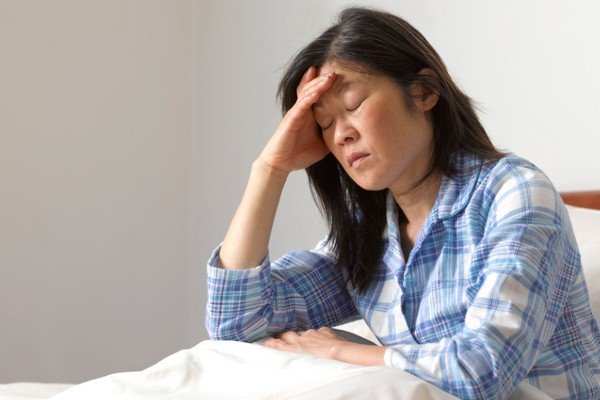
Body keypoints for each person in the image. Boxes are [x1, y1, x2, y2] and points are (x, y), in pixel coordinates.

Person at [205, 6, 600, 400]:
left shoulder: (514, 194)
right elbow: (237, 320)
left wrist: (343, 351)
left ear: (423, 91)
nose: (340, 134)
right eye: (324, 124)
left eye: (354, 104)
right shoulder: (368, 230)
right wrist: (269, 169)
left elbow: (481, 371)